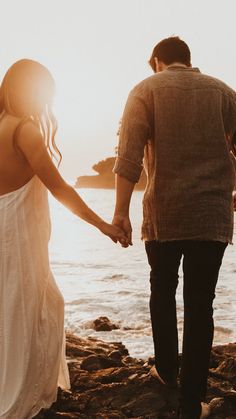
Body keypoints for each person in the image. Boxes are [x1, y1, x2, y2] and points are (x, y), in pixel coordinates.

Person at [112, 36, 236, 419]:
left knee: (162, 290)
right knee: (201, 305)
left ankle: (167, 370)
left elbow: (129, 155)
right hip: (211, 216)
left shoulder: (145, 89)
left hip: (164, 214)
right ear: (188, 60)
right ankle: (191, 402)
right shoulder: (224, 92)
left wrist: (120, 213)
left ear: (156, 61)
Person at [0, 59, 127, 419]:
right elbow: (60, 189)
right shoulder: (24, 130)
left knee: (9, 310)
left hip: (3, 228)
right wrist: (104, 225)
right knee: (30, 309)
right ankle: (23, 397)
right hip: (19, 238)